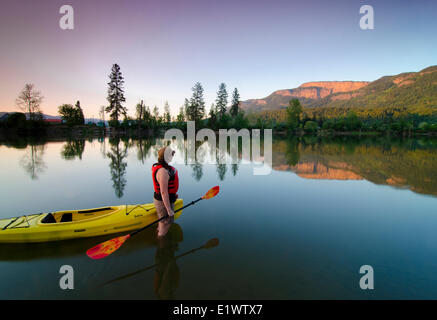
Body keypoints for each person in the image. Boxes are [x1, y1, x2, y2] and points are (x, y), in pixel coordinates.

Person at [152, 146, 179, 237]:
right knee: (165, 225)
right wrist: (169, 210)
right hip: (163, 202)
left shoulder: (165, 168)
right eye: (171, 155)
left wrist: (173, 194)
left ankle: (159, 233)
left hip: (165, 200)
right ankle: (162, 247)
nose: (172, 157)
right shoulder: (162, 172)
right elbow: (163, 192)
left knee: (163, 223)